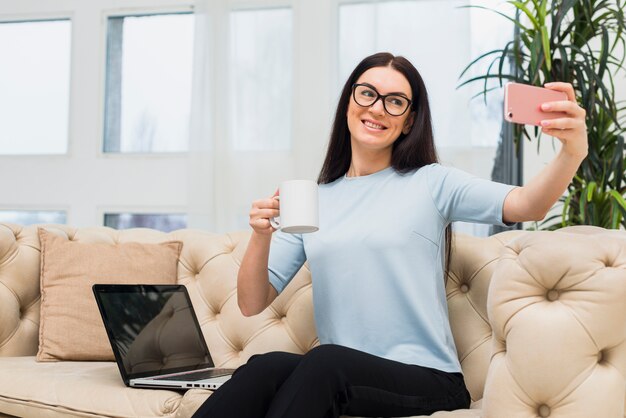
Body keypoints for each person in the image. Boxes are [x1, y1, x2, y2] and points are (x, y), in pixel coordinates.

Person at [192, 52, 588, 418]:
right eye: (367, 93)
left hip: (428, 378)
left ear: (409, 120)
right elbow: (250, 302)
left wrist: (571, 153)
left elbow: (526, 205)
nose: (377, 108)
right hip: (340, 373)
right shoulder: (315, 200)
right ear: (349, 101)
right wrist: (260, 235)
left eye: (395, 101)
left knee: (326, 362)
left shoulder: (431, 182)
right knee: (266, 366)